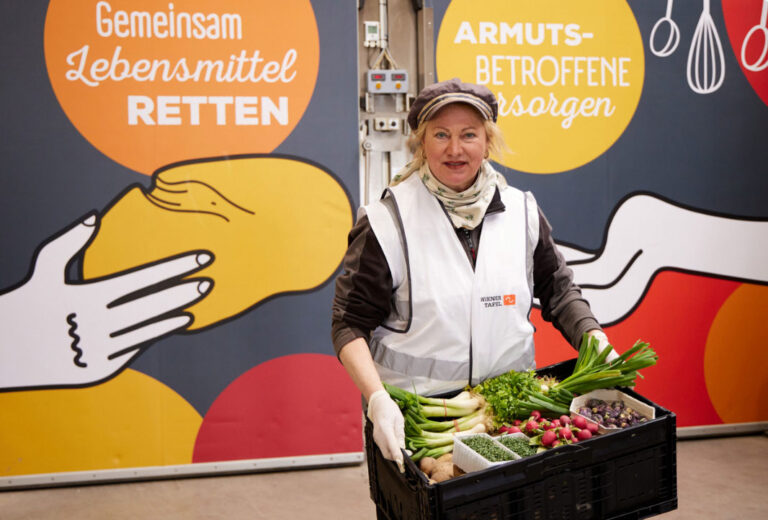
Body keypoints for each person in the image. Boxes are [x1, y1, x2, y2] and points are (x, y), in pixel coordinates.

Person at [331, 78, 614, 471]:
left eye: (469, 134)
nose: (454, 149)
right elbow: (348, 323)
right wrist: (378, 399)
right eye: (441, 134)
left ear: (487, 141)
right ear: (421, 142)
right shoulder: (388, 221)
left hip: (509, 417)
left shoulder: (522, 212)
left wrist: (593, 338)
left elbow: (558, 290)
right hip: (420, 422)